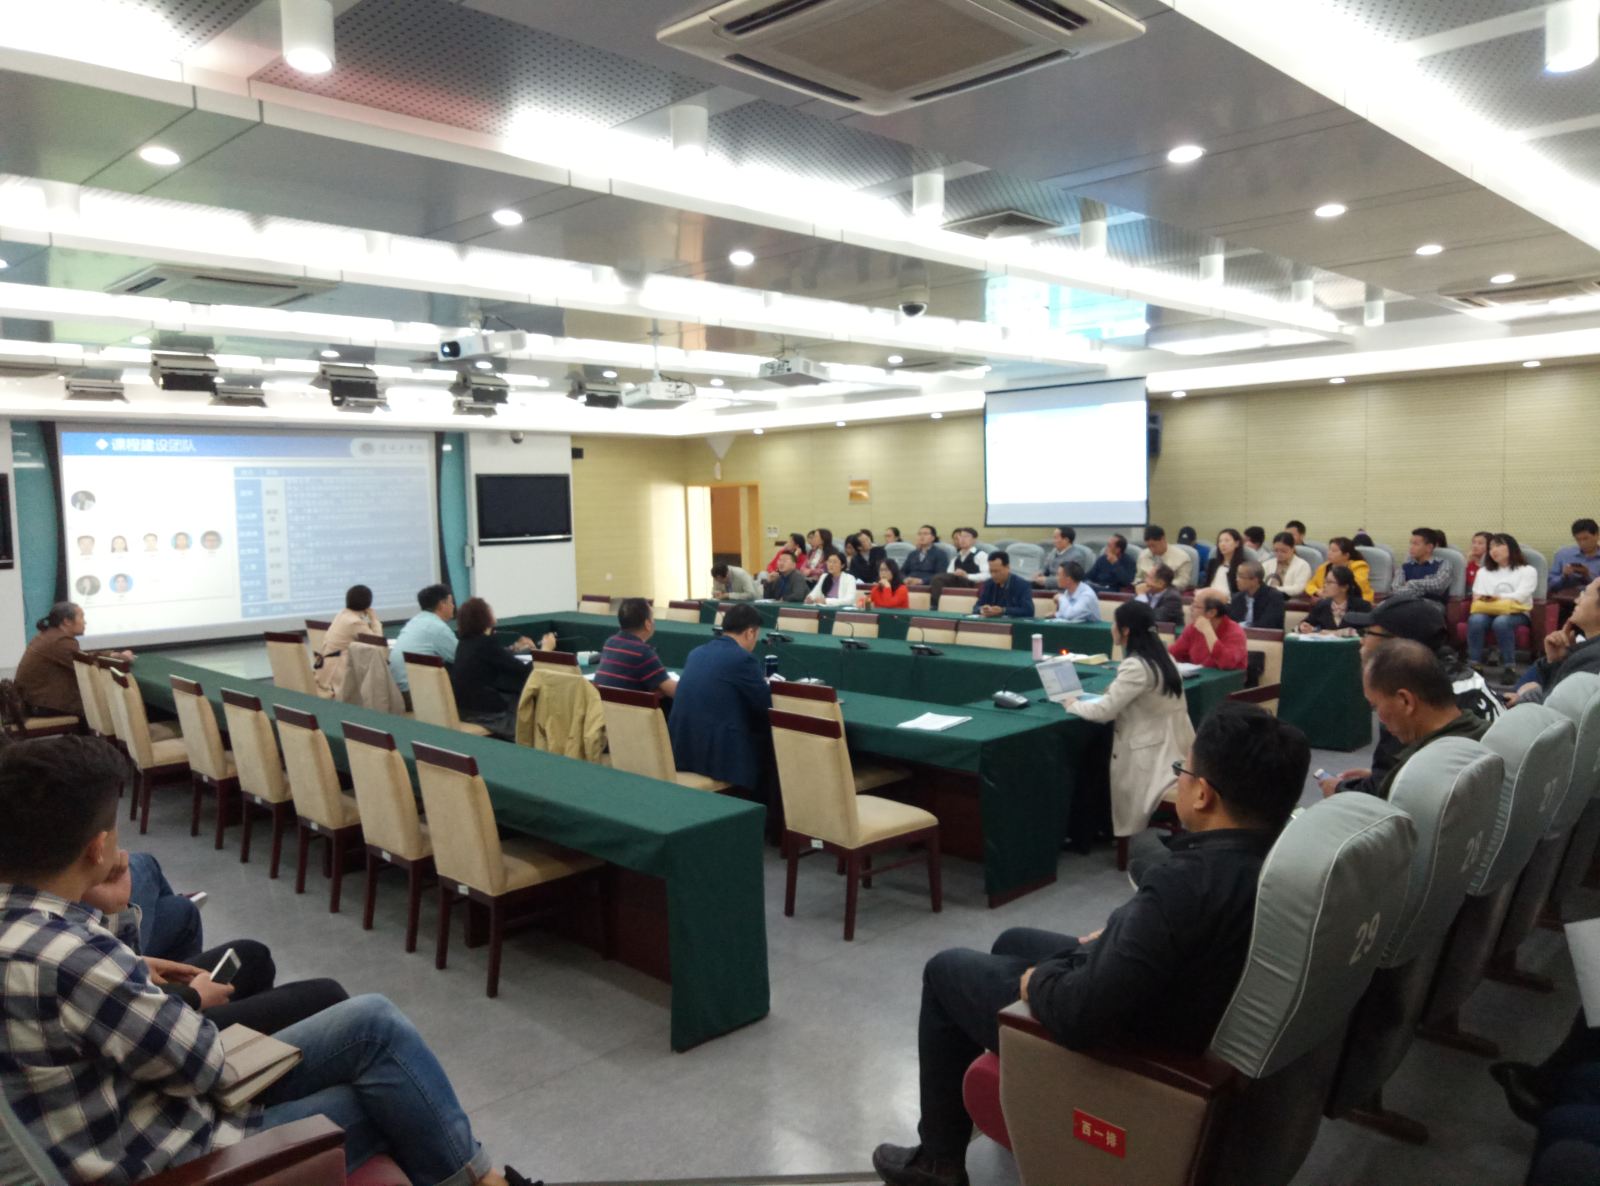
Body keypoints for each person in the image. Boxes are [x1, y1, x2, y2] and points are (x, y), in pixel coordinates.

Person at [0, 735, 515, 1186]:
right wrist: (158, 986)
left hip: (148, 1115)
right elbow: (201, 1066)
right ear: (98, 848)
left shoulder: (28, 928)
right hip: (190, 1156)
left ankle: (481, 1179)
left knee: (374, 1021)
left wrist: (130, 955)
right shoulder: (78, 960)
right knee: (393, 1098)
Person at [869, 701, 1307, 1186]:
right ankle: (1018, 1103)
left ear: (1203, 794)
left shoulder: (1185, 884)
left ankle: (938, 1161)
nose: (1179, 781)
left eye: (1182, 772)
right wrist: (1122, 932)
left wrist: (1041, 980)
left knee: (945, 970)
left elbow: (1080, 1015)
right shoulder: (1281, 859)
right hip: (1175, 997)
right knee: (1013, 939)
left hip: (1138, 1045)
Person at [125, 853, 347, 1037]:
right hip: (166, 1035)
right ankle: (248, 1057)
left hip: (141, 995)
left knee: (251, 954)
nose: (120, 854)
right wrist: (194, 997)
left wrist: (137, 964)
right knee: (331, 996)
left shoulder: (105, 953)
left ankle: (264, 1048)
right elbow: (136, 1017)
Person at [1325, 600, 1502, 796]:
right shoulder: (1461, 678)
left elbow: (1386, 795)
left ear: (1397, 644)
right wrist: (1390, 775)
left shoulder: (1412, 702)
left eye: (1367, 633)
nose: (1361, 641)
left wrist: (1339, 790)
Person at [1065, 599, 1194, 837]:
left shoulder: (1136, 665)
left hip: (1149, 757)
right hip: (1173, 747)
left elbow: (1103, 713)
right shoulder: (1164, 657)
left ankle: (1092, 829)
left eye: (1114, 623)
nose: (1111, 628)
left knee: (1092, 758)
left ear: (1125, 630)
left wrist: (1071, 704)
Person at [668, 604, 773, 796]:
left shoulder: (696, 653)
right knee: (769, 749)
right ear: (750, 632)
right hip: (717, 758)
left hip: (684, 750)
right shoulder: (743, 659)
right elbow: (766, 706)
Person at [14, 602, 133, 718]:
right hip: (42, 705)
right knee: (112, 704)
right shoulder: (60, 641)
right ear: (67, 621)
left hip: (32, 701)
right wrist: (119, 658)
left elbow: (83, 656)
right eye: (81, 617)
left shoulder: (50, 635)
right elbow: (89, 666)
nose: (85, 622)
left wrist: (111, 654)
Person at [450, 597, 544, 739]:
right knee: (528, 701)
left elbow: (496, 658)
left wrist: (513, 648)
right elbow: (524, 672)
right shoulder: (486, 644)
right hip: (486, 713)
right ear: (484, 617)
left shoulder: (465, 643)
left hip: (464, 709)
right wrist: (544, 651)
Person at [1509, 578, 1600, 707]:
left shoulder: (1591, 658)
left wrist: (1528, 695)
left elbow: (1558, 706)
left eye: (1585, 594)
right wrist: (1555, 661)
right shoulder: (1583, 650)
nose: (1576, 600)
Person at [1468, 532, 1538, 678]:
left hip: (1517, 612)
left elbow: (1521, 596)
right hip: (1487, 611)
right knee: (1475, 620)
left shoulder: (1527, 570)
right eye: (1491, 547)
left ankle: (1509, 668)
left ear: (1511, 547)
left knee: (1501, 622)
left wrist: (1495, 597)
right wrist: (1500, 599)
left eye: (1499, 545)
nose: (1494, 550)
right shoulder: (1483, 572)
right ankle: (1475, 665)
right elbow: (1477, 596)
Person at [389, 584, 458, 704]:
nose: (453, 606)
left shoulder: (416, 621)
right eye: (451, 602)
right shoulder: (437, 627)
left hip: (399, 690)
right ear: (442, 604)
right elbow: (460, 657)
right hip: (415, 694)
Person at [594, 597, 675, 698]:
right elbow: (673, 691)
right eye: (652, 618)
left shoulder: (610, 642)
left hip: (603, 705)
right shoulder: (642, 652)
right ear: (648, 624)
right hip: (626, 707)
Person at [314, 585, 383, 697]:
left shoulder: (343, 614)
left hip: (326, 670)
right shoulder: (355, 622)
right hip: (338, 675)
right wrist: (374, 620)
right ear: (368, 603)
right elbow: (377, 644)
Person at [1169, 589, 1247, 670]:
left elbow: (1226, 663)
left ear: (1212, 612)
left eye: (1195, 606)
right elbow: (1174, 653)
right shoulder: (1193, 628)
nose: (1191, 608)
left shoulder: (1235, 632)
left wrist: (1208, 631)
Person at [1299, 564, 1371, 634]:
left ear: (1344, 587)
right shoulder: (1321, 605)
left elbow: (1366, 631)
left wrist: (1335, 633)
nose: (1324, 586)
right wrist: (1303, 626)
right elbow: (1307, 623)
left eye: (1329, 582)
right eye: (1325, 582)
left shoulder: (1362, 606)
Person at [1391, 526, 1454, 603]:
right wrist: (1421, 591)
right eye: (1411, 543)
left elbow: (1439, 585)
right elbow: (1396, 589)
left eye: (1415, 544)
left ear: (1429, 548)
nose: (1411, 547)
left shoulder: (1443, 564)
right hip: (1406, 603)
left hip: (1432, 605)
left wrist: (1411, 583)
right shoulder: (1405, 566)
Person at [929, 527, 986, 607]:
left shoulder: (981, 555)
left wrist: (967, 576)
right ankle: (937, 605)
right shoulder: (956, 558)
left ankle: (935, 606)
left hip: (971, 583)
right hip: (956, 582)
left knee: (938, 578)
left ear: (974, 540)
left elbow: (987, 575)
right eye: (960, 536)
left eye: (966, 536)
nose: (962, 539)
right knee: (938, 579)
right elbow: (949, 574)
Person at [1304, 537, 1373, 601]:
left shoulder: (1359, 566)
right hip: (1328, 601)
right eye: (1329, 550)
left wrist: (1329, 593)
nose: (1329, 553)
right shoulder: (1324, 567)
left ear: (1346, 555)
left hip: (1355, 601)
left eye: (1334, 551)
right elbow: (1310, 585)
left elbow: (1354, 587)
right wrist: (1318, 592)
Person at [1228, 560, 1286, 630]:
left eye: (1241, 576)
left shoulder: (1274, 597)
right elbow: (1231, 622)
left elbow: (1267, 625)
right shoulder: (1237, 598)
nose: (1237, 580)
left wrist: (1243, 626)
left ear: (1255, 580)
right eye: (1237, 576)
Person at [974, 551, 1033, 618]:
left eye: (996, 571)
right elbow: (975, 608)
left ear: (1007, 567)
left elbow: (1028, 611)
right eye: (991, 571)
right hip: (991, 623)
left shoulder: (1022, 585)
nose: (993, 575)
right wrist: (982, 609)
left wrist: (1003, 610)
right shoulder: (988, 584)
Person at [1134, 525, 1192, 591]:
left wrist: (1159, 585)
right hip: (1147, 591)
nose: (1152, 550)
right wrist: (1140, 584)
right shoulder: (1143, 555)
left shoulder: (1183, 558)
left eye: (1154, 546)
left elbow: (1182, 583)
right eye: (1149, 546)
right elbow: (1138, 577)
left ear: (1163, 539)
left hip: (1170, 593)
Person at [1551, 518, 1600, 597]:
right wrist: (1564, 576)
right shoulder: (1563, 554)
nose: (1582, 543)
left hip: (1595, 601)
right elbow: (1550, 585)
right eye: (1578, 540)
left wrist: (1588, 575)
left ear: (1597, 535)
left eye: (1586, 538)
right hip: (1565, 600)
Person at [1262, 531, 1312, 597]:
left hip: (1290, 599)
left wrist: (1274, 589)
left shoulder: (1303, 565)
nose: (1279, 554)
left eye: (1283, 551)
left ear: (1293, 549)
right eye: (1276, 550)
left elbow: (1299, 589)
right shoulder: (1267, 564)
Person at [1203, 528, 1246, 595]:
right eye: (1220, 541)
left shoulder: (1243, 566)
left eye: (1227, 541)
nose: (1222, 544)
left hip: (1230, 599)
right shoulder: (1212, 563)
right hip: (1209, 597)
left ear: (1237, 543)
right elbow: (1206, 585)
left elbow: (1240, 592)